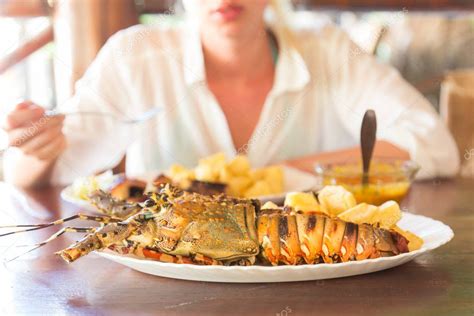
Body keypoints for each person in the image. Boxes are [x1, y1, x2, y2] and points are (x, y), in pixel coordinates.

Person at [2, 0, 459, 188]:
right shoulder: (136, 57)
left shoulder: (327, 51)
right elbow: (36, 174)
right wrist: (35, 144)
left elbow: (436, 147)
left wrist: (273, 175)